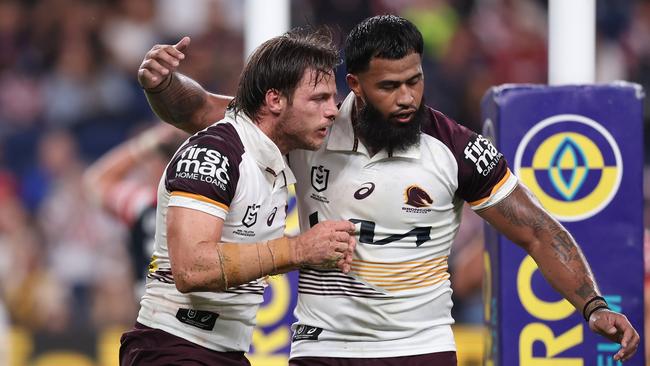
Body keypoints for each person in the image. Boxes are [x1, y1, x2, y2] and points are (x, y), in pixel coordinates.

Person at [137, 15, 640, 365]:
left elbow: (536, 230)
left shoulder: (457, 149)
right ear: (354, 84)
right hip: (324, 347)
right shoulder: (311, 124)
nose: (406, 99)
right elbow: (206, 111)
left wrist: (593, 305)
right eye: (388, 87)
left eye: (414, 81)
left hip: (421, 346)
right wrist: (163, 85)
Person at [119, 28, 357, 366]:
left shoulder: (275, 155)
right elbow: (191, 267)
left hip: (224, 352)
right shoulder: (214, 151)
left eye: (333, 99)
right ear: (275, 100)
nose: (333, 111)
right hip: (173, 348)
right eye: (319, 98)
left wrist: (312, 251)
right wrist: (300, 248)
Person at [83, 123, 188, 299]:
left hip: (154, 313)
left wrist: (145, 144)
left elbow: (95, 181)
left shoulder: (142, 203)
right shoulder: (212, 200)